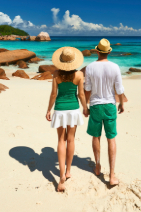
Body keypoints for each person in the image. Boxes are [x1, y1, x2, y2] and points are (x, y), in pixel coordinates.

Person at [46, 47, 88, 192]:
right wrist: (85, 108)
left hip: (60, 109)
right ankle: (68, 171)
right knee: (70, 139)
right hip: (73, 109)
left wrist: (48, 110)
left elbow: (53, 94)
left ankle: (61, 174)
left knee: (60, 140)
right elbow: (81, 94)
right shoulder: (79, 74)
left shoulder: (56, 74)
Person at [85, 38, 125, 186]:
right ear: (108, 52)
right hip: (109, 106)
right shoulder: (115, 67)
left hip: (95, 105)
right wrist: (121, 103)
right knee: (111, 138)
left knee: (96, 136)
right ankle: (112, 175)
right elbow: (119, 88)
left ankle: (97, 166)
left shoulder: (90, 67)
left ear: (97, 51)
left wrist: (85, 106)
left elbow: (87, 89)